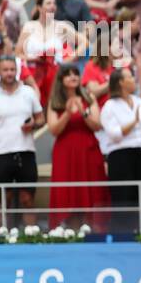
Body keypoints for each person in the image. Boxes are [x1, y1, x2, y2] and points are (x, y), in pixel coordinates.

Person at [0, 54, 44, 229]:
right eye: (5, 70)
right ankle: (3, 236)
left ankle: (31, 236)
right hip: (1, 153)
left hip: (26, 152)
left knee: (27, 199)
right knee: (3, 199)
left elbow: (41, 119)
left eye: (12, 69)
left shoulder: (29, 93)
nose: (9, 73)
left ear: (17, 70)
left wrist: (33, 125)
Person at [47, 62, 108, 230]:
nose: (73, 77)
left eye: (76, 73)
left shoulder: (89, 97)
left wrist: (83, 112)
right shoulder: (56, 101)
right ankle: (72, 233)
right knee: (70, 195)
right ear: (61, 79)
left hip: (88, 150)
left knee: (92, 194)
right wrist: (67, 114)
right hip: (65, 153)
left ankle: (94, 234)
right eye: (68, 74)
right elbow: (53, 130)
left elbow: (97, 125)